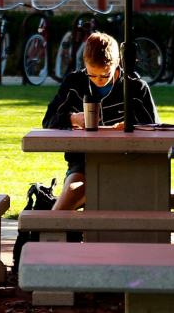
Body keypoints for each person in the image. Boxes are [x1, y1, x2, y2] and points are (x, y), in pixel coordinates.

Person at [41, 31, 158, 210]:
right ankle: (48, 233)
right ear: (85, 65)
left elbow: (154, 130)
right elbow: (48, 121)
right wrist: (72, 118)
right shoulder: (74, 83)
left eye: (104, 76)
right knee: (66, 201)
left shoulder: (136, 88)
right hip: (84, 163)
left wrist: (131, 128)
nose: (98, 81)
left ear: (117, 64)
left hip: (128, 162)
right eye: (91, 75)